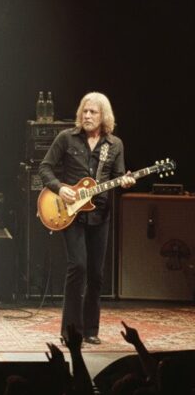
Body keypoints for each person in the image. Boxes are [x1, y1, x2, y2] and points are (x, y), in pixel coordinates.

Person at [39, 92, 135, 345]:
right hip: (71, 214)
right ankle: (70, 332)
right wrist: (60, 188)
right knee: (78, 267)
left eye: (93, 112)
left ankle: (90, 330)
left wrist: (125, 182)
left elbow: (118, 176)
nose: (88, 116)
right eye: (85, 111)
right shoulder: (66, 138)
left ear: (104, 116)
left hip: (100, 215)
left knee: (96, 274)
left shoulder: (115, 145)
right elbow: (44, 167)